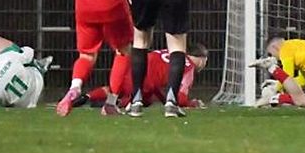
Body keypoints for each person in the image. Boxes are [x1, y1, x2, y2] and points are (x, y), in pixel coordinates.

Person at [79, 42, 209, 110]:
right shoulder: (189, 66)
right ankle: (119, 103)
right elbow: (180, 99)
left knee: (118, 89)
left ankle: (87, 96)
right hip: (145, 82)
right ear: (201, 59)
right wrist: (192, 103)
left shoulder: (171, 53)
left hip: (133, 68)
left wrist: (166, 100)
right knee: (142, 99)